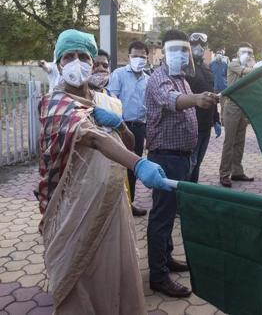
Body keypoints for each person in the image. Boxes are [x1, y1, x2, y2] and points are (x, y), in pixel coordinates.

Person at [37, 29, 171, 314]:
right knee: (79, 271)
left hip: (112, 200)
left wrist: (120, 125)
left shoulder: (107, 101)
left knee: (115, 267)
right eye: (68, 57)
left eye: (83, 56)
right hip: (73, 207)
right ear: (58, 63)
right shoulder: (55, 104)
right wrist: (138, 163)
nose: (77, 63)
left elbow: (130, 142)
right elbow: (94, 138)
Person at [145, 29, 216, 297]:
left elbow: (185, 97)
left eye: (184, 50)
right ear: (163, 52)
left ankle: (167, 258)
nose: (181, 54)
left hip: (181, 158)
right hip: (165, 157)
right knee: (162, 217)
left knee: (169, 213)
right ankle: (158, 275)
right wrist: (198, 99)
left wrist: (205, 100)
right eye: (175, 49)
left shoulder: (183, 79)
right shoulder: (159, 79)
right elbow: (172, 101)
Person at [108, 41, 150, 217]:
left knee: (133, 167)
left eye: (142, 56)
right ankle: (112, 206)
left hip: (139, 129)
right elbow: (112, 100)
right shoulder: (118, 74)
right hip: (121, 128)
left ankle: (129, 203)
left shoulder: (148, 79)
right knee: (115, 166)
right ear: (129, 57)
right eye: (135, 56)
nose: (139, 59)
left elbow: (149, 107)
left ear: (147, 58)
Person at [219, 42, 257, 187]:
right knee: (229, 142)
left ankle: (237, 171)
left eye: (249, 52)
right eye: (244, 52)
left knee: (240, 141)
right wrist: (254, 65)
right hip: (232, 106)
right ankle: (224, 174)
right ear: (237, 53)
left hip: (243, 106)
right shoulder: (233, 64)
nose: (247, 55)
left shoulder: (247, 66)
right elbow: (249, 72)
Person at [186, 32, 221, 183]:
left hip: (207, 124)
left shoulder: (207, 68)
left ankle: (192, 193)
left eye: (202, 45)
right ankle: (182, 196)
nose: (198, 48)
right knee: (190, 163)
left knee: (198, 163)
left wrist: (216, 119)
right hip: (192, 124)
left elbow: (211, 93)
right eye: (194, 44)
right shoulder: (186, 69)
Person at [211, 47, 229, 122]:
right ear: (215, 55)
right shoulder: (211, 64)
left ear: (223, 55)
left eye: (221, 54)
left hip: (223, 87)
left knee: (223, 105)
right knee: (213, 104)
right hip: (214, 87)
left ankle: (223, 120)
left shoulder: (225, 64)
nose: (219, 55)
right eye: (218, 53)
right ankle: (213, 120)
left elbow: (227, 75)